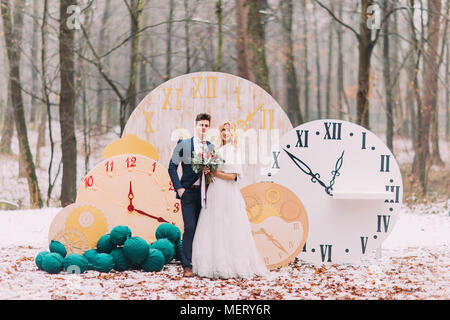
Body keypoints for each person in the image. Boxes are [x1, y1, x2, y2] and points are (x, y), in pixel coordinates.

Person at [192, 120, 269, 279]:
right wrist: (207, 169)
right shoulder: (217, 149)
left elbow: (233, 176)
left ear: (233, 133)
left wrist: (214, 173)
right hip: (215, 190)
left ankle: (231, 263)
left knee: (228, 224)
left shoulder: (234, 150)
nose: (225, 133)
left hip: (227, 191)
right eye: (223, 130)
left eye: (228, 130)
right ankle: (213, 263)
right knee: (214, 225)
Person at [168, 113, 215, 277]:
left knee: (203, 229)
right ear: (196, 125)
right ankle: (186, 265)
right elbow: (172, 167)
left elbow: (214, 172)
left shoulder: (211, 147)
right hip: (187, 193)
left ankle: (201, 262)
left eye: (206, 125)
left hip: (205, 194)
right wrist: (179, 189)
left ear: (209, 128)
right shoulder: (183, 144)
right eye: (201, 125)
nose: (203, 128)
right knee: (190, 227)